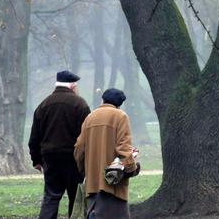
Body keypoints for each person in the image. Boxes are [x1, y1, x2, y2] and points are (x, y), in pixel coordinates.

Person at [29, 70, 91, 219]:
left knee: (51, 196)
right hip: (73, 159)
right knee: (75, 197)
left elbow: (35, 137)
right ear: (72, 86)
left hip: (50, 158)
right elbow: (87, 135)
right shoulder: (80, 104)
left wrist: (36, 160)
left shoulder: (43, 105)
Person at [74, 88, 140, 219]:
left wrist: (85, 171)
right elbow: (124, 148)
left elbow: (79, 148)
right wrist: (131, 168)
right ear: (120, 104)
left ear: (103, 99)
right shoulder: (120, 116)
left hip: (93, 183)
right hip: (114, 183)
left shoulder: (90, 117)